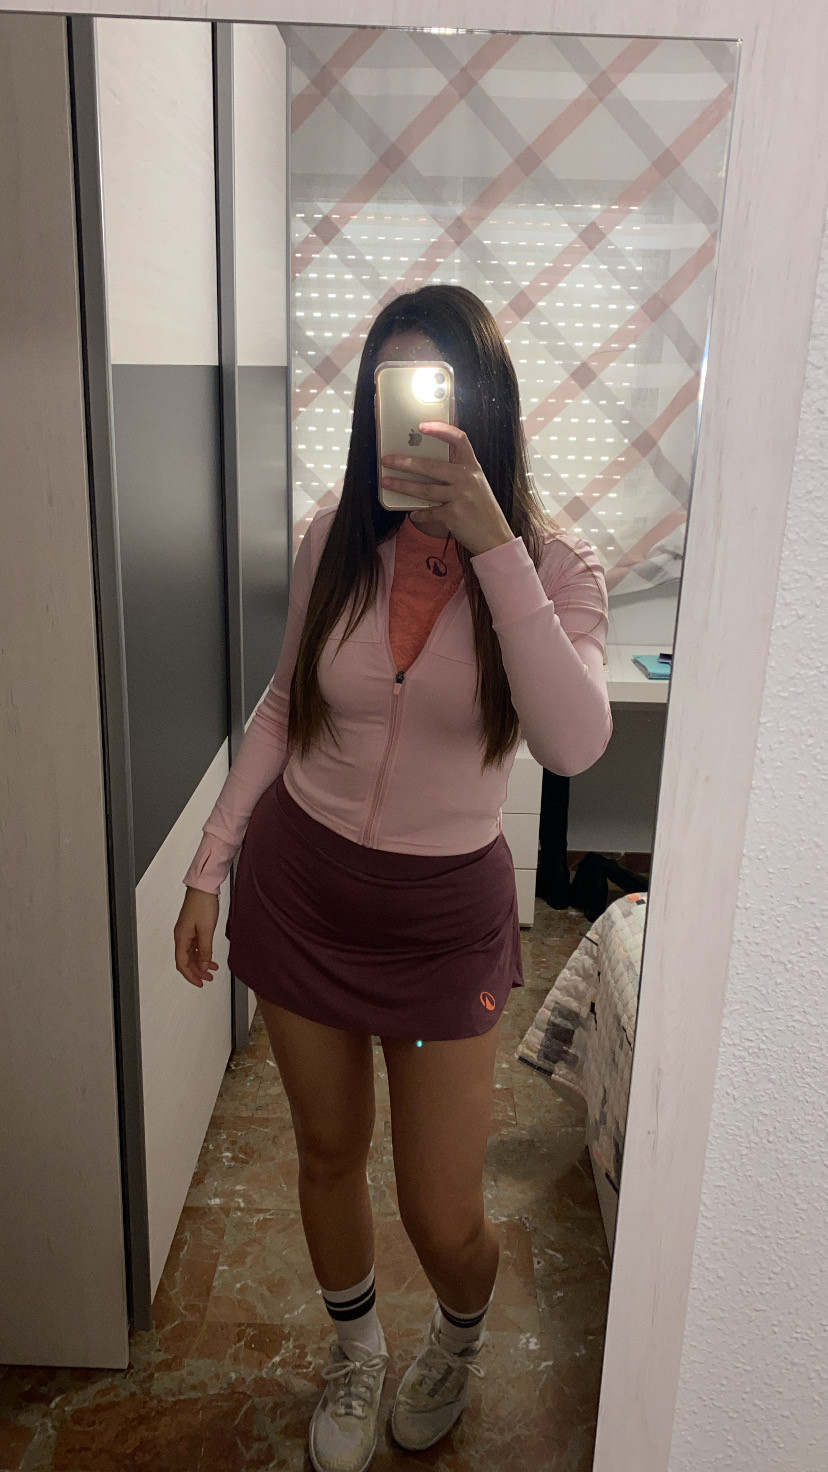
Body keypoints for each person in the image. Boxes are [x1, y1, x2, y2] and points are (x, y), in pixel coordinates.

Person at [174, 284, 612, 1472]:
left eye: (439, 397)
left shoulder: (556, 567)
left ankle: (457, 1335)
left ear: (487, 410)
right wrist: (211, 862)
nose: (413, 428)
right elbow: (284, 706)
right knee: (325, 1152)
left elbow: (574, 740)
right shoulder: (333, 535)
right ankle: (356, 1345)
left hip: (439, 927)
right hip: (302, 893)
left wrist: (493, 544)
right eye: (392, 394)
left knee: (440, 1207)